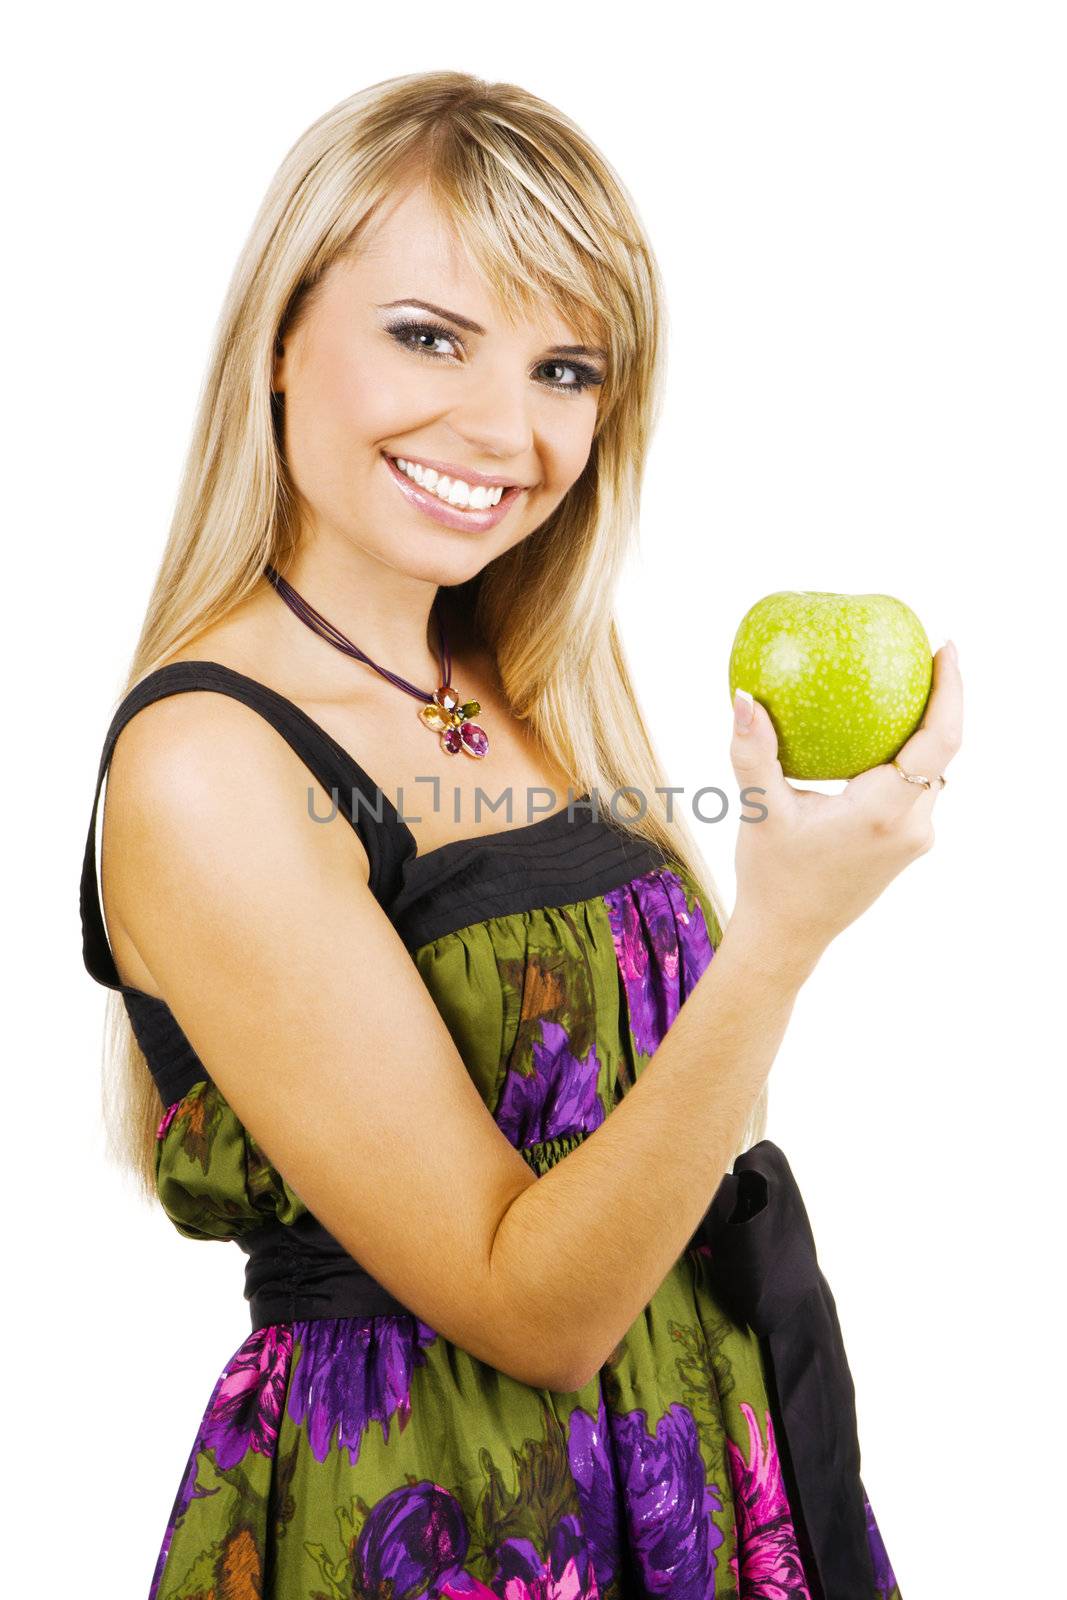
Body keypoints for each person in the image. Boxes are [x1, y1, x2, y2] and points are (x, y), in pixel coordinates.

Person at [80, 70, 960, 1599]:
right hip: (447, 1513)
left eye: (567, 368)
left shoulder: (529, 675)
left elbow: (645, 1123)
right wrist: (783, 938)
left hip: (690, 1468)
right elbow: (533, 1310)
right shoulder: (208, 762)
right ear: (282, 338)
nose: (503, 429)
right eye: (428, 336)